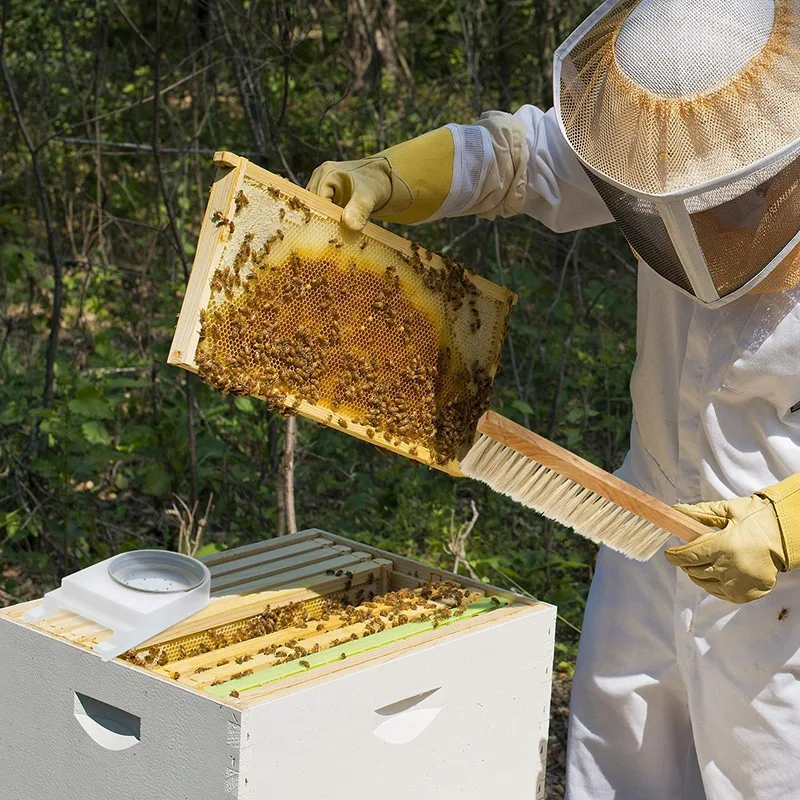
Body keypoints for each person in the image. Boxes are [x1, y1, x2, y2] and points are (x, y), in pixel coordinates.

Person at [307, 1, 800, 798]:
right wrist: (391, 176)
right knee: (615, 772)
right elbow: (524, 153)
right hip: (648, 528)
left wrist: (786, 524)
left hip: (784, 598)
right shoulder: (666, 122)